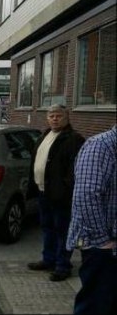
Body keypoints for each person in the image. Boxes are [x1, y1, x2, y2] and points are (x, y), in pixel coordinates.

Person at [27, 104, 85, 282]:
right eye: (51, 116)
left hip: (61, 196)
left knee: (62, 230)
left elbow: (75, 169)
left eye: (58, 116)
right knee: (47, 228)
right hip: (43, 191)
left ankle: (63, 266)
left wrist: (66, 190)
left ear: (67, 117)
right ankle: (48, 259)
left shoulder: (73, 139)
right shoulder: (45, 135)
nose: (54, 119)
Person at [66, 125, 116, 314]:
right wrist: (102, 240)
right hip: (102, 247)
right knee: (96, 304)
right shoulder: (100, 146)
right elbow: (86, 196)